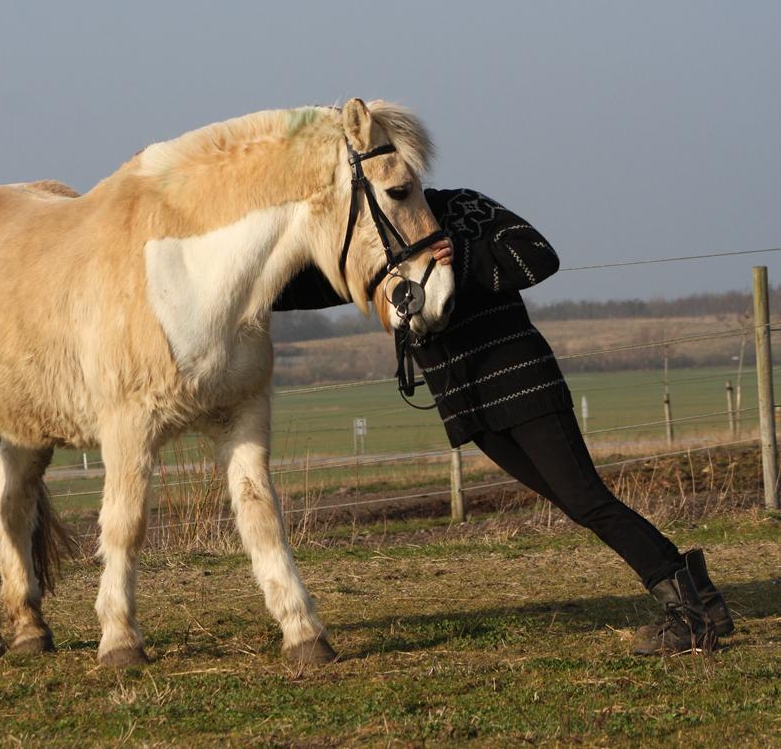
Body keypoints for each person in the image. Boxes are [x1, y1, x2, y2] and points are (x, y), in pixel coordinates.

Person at [274, 187, 732, 654]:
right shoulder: (374, 240)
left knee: (589, 501)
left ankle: (690, 616)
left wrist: (461, 257)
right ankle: (703, 598)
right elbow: (315, 286)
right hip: (469, 405)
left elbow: (538, 256)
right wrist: (248, 286)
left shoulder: (461, 207)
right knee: (578, 504)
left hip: (523, 385)